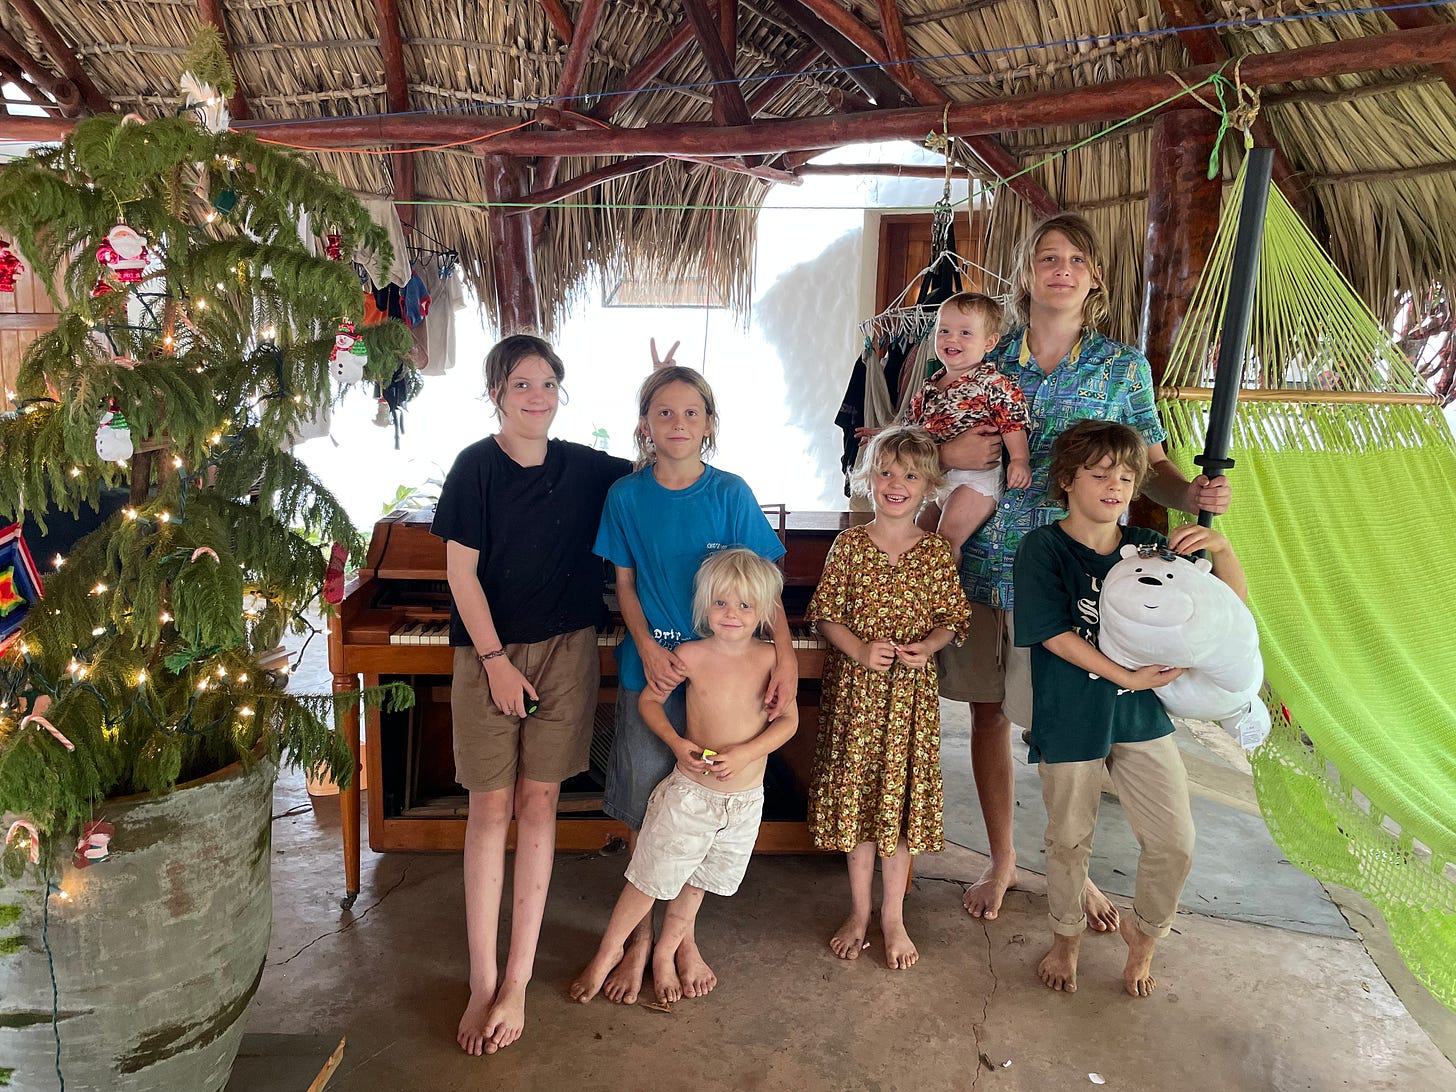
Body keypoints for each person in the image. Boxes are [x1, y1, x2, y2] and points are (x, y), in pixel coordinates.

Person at [936, 213, 1232, 927]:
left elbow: (1151, 468)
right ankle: (1004, 859)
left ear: (1095, 276)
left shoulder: (1121, 366)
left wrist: (1190, 495)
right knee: (987, 714)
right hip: (986, 564)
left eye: (1074, 259)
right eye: (1047, 258)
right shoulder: (984, 353)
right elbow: (924, 448)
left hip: (1079, 575)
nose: (1060, 270)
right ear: (1026, 273)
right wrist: (950, 456)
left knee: (1069, 723)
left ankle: (1071, 870)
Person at [432, 334, 631, 1056]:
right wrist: (494, 662)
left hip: (567, 651)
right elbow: (460, 575)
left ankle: (517, 978)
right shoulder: (475, 468)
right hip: (489, 653)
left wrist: (659, 388)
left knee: (540, 803)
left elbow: (658, 468)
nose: (537, 396)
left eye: (549, 383)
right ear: (496, 393)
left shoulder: (586, 467)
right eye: (522, 383)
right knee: (490, 808)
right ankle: (482, 979)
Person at [1014, 419, 1247, 996]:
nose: (1114, 487)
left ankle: (1144, 937)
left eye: (1124, 477)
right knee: (1069, 839)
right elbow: (1053, 634)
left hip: (1142, 716)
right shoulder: (1043, 548)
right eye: (1098, 475)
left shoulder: (1150, 546)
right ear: (1066, 480)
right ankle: (1065, 938)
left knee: (1174, 841)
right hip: (1070, 712)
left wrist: (1221, 548)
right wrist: (1126, 675)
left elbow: (1228, 616)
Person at [591, 365, 798, 1004]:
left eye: (691, 413)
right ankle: (637, 942)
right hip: (653, 671)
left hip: (725, 674)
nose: (677, 423)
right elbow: (624, 585)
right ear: (644, 425)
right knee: (647, 811)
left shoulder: (730, 493)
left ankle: (679, 940)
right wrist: (649, 647)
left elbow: (764, 587)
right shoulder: (625, 496)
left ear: (709, 424)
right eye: (664, 412)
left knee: (701, 818)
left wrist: (786, 657)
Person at [570, 549, 798, 1004]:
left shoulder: (772, 659)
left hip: (744, 803)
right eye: (720, 603)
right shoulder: (690, 654)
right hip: (691, 797)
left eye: (745, 605)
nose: (731, 614)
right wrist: (676, 743)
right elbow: (649, 702)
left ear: (763, 610)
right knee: (649, 878)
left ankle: (667, 952)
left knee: (698, 883)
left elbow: (788, 721)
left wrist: (747, 752)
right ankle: (609, 951)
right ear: (704, 605)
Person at [807, 426, 972, 969]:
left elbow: (952, 618)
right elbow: (824, 614)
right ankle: (859, 912)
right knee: (860, 808)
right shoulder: (849, 545)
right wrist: (858, 648)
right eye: (885, 472)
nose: (896, 483)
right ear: (867, 479)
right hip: (856, 699)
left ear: (929, 486)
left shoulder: (936, 552)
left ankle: (893, 918)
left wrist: (929, 646)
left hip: (910, 704)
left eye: (910, 475)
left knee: (897, 812)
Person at [904, 292, 1031, 554]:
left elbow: (1012, 421)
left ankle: (944, 582)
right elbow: (912, 427)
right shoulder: (930, 386)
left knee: (946, 540)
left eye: (965, 333)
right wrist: (884, 433)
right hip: (941, 477)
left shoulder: (991, 382)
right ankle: (919, 581)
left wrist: (1019, 459)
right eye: (944, 331)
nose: (952, 339)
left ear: (989, 342)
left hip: (976, 479)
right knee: (917, 537)